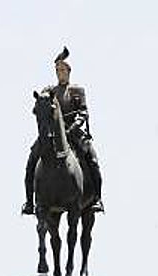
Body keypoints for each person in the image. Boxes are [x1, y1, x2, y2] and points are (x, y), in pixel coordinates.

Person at [22, 46, 104, 215]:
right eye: (57, 70)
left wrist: (73, 128)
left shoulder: (77, 90)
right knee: (31, 160)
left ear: (69, 71)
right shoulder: (50, 91)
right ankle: (30, 202)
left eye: (63, 70)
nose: (60, 73)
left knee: (93, 159)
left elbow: (83, 112)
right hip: (52, 133)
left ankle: (97, 198)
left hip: (73, 132)